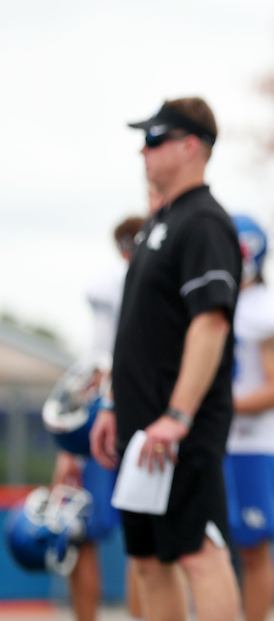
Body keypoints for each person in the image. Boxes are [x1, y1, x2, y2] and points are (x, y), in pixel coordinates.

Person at [89, 97, 243, 621]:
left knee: (199, 551)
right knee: (149, 561)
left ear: (189, 146)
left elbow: (211, 321)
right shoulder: (162, 222)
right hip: (140, 425)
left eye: (154, 139)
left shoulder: (203, 221)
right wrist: (113, 405)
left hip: (178, 426)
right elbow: (136, 333)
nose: (143, 149)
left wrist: (178, 415)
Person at [50, 216, 145, 621]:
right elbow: (99, 363)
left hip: (132, 416)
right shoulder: (119, 285)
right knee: (94, 534)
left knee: (144, 543)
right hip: (118, 415)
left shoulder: (147, 283)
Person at [224, 214, 274, 621]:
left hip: (250, 444)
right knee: (200, 547)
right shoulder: (212, 303)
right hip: (212, 441)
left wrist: (213, 408)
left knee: (253, 547)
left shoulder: (268, 311)